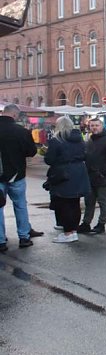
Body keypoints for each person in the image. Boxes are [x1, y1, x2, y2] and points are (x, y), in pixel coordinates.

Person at [0, 103, 40, 251]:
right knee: (20, 205)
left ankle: (1, 241)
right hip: (17, 175)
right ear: (15, 115)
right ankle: (24, 237)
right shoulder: (21, 131)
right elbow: (31, 152)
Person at [44, 116, 90, 244]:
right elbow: (85, 155)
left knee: (64, 204)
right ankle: (73, 231)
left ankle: (68, 232)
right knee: (75, 203)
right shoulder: (80, 139)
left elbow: (49, 159)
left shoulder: (56, 140)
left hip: (63, 173)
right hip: (79, 172)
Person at [80, 118, 106, 235]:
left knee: (102, 201)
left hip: (103, 177)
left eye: (96, 125)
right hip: (90, 176)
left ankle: (101, 224)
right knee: (89, 201)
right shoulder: (90, 139)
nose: (94, 128)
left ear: (101, 126)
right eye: (92, 126)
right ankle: (86, 223)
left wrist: (103, 172)